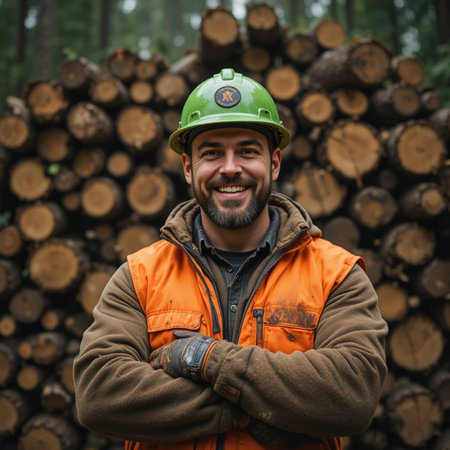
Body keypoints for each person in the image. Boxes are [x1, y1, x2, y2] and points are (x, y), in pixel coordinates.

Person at [74, 68, 388, 450]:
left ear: (274, 163)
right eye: (211, 153)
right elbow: (98, 395)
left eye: (247, 150)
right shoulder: (140, 276)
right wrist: (260, 407)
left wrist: (204, 358)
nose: (230, 167)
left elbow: (352, 396)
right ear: (189, 168)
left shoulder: (335, 274)